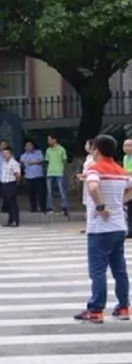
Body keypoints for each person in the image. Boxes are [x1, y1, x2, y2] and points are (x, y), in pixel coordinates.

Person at [73, 135, 132, 323]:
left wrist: (100, 207)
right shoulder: (121, 171)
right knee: (119, 269)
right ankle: (124, 307)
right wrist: (119, 201)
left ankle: (96, 309)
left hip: (100, 228)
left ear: (96, 150)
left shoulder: (95, 169)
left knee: (97, 270)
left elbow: (92, 187)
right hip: (119, 226)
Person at [45, 133, 69, 216]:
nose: (48, 141)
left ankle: (64, 208)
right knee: (49, 192)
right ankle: (49, 208)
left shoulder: (62, 149)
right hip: (50, 173)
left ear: (54, 140)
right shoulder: (48, 150)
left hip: (59, 172)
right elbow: (47, 161)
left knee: (62, 191)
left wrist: (62, 170)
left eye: (49, 139)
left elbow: (64, 161)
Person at [0, 144, 22, 227]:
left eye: (6, 153)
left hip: (11, 184)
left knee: (12, 203)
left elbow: (17, 175)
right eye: (3, 153)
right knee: (7, 203)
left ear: (10, 154)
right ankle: (10, 220)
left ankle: (15, 220)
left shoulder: (14, 163)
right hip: (4, 184)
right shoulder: (4, 163)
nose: (4, 155)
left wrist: (16, 185)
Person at [20, 141, 46, 212]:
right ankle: (33, 208)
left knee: (41, 193)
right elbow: (22, 165)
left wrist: (32, 162)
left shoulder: (38, 152)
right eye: (27, 146)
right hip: (29, 177)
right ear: (25, 148)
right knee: (31, 194)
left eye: (30, 145)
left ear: (33, 146)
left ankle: (43, 208)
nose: (29, 147)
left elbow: (41, 161)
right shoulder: (23, 156)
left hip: (39, 176)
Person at [124, 138, 132, 239]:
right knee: (129, 208)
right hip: (129, 185)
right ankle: (130, 230)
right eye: (125, 145)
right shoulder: (125, 157)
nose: (126, 148)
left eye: (129, 145)